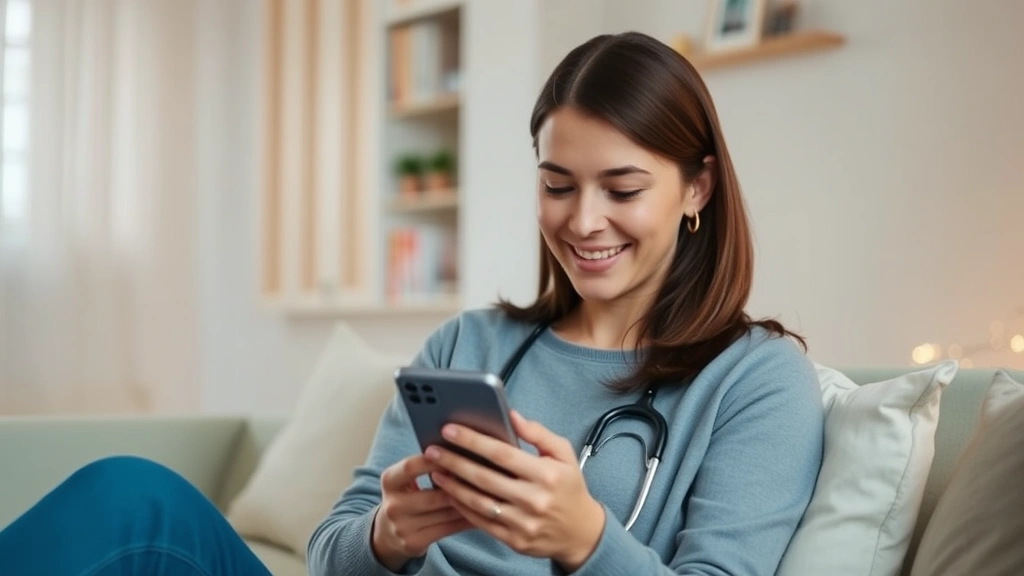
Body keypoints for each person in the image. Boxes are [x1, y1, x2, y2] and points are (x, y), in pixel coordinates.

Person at [0, 31, 823, 575]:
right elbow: (332, 551)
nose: (583, 220)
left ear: (698, 188)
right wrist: (387, 537)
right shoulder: (471, 345)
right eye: (557, 185)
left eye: (623, 188)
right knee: (131, 496)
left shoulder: (756, 380)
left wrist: (586, 542)